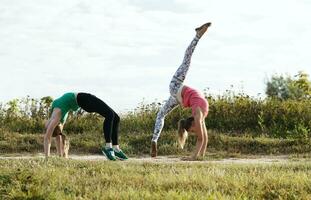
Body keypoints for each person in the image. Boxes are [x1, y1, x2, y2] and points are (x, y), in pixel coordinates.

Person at [151, 22, 211, 160]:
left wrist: (200, 157)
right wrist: (193, 158)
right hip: (176, 86)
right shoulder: (198, 114)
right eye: (191, 131)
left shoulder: (199, 115)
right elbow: (202, 139)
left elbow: (204, 138)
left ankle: (154, 140)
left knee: (161, 115)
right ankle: (197, 36)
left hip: (178, 98)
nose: (194, 132)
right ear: (192, 123)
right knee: (187, 60)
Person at [44, 92, 128, 161]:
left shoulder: (56, 118)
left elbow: (53, 137)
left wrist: (56, 157)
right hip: (84, 99)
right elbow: (51, 137)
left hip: (83, 101)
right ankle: (108, 147)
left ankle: (115, 148)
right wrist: (48, 158)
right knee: (110, 115)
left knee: (116, 118)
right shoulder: (56, 116)